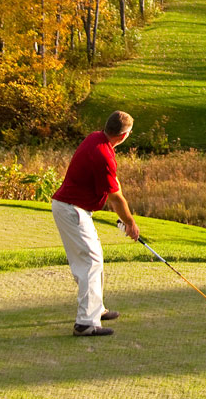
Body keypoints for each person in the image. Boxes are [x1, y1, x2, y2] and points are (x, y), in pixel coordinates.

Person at [51, 110, 141, 337]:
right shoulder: (103, 154)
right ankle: (85, 323)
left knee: (94, 257)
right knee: (90, 262)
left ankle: (96, 309)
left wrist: (125, 218)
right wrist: (129, 222)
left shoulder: (96, 139)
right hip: (72, 210)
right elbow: (116, 197)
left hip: (73, 208)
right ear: (123, 136)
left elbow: (113, 184)